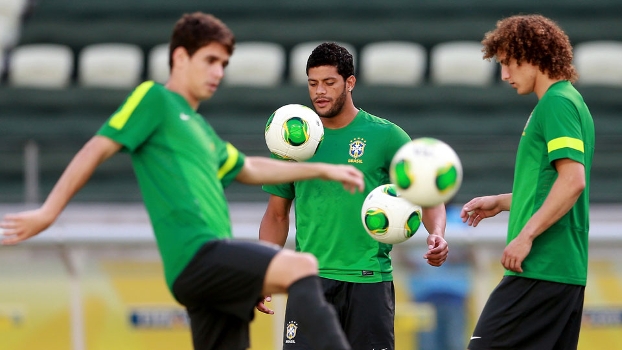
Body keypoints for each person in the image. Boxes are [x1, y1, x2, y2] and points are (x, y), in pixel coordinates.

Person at [0, 13, 364, 350]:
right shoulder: (154, 99)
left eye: (223, 64)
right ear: (179, 58)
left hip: (211, 274)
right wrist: (49, 211)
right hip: (198, 256)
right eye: (209, 60)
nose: (218, 72)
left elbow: (251, 169)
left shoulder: (201, 130)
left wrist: (323, 169)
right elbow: (95, 148)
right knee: (301, 266)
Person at [259, 42, 449, 350]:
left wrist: (437, 233)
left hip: (369, 282)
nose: (319, 91)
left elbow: (427, 193)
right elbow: (276, 214)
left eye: (329, 83)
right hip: (308, 280)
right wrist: (263, 271)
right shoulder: (292, 139)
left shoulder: (387, 136)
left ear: (350, 82)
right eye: (312, 84)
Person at [460, 14, 595, 350]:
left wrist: (526, 235)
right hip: (561, 270)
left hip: (542, 266)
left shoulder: (557, 103)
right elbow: (552, 185)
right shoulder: (569, 100)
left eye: (509, 63)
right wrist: (503, 201)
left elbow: (573, 180)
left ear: (533, 55)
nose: (504, 74)